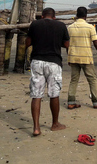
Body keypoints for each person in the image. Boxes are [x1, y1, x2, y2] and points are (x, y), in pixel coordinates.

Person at [26, 7, 69, 136]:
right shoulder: (61, 25)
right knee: (54, 93)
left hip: (37, 61)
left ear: (43, 16)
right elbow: (67, 44)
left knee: (36, 94)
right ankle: (55, 124)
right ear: (54, 16)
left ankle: (36, 127)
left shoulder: (35, 24)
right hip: (54, 62)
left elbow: (28, 42)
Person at [67, 6, 97, 110]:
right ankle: (96, 102)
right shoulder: (90, 27)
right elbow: (96, 43)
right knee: (92, 79)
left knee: (74, 80)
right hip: (86, 58)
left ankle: (71, 101)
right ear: (86, 16)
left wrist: (69, 57)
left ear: (76, 15)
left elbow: (67, 44)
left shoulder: (70, 28)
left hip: (73, 57)